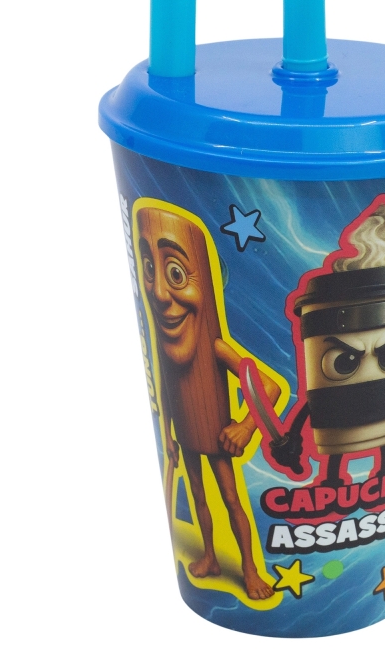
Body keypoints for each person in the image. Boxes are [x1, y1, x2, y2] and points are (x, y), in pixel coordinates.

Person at [137, 207, 279, 600]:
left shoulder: (215, 346)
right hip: (185, 429)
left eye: (176, 273)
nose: (159, 293)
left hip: (215, 432)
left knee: (231, 501)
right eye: (149, 269)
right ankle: (210, 557)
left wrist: (245, 427)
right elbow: (167, 386)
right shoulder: (167, 346)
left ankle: (251, 571)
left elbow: (268, 388)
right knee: (199, 497)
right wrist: (167, 433)